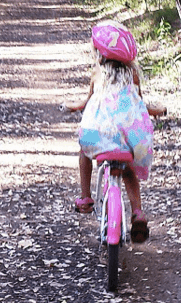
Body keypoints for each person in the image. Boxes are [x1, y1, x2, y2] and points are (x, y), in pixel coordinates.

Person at [65, 21, 154, 243]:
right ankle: (137, 212)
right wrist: (157, 110)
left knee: (83, 150)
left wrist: (73, 106)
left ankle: (85, 197)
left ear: (100, 54)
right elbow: (139, 104)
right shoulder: (132, 75)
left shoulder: (98, 74)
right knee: (129, 170)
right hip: (126, 139)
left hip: (98, 136)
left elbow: (86, 102)